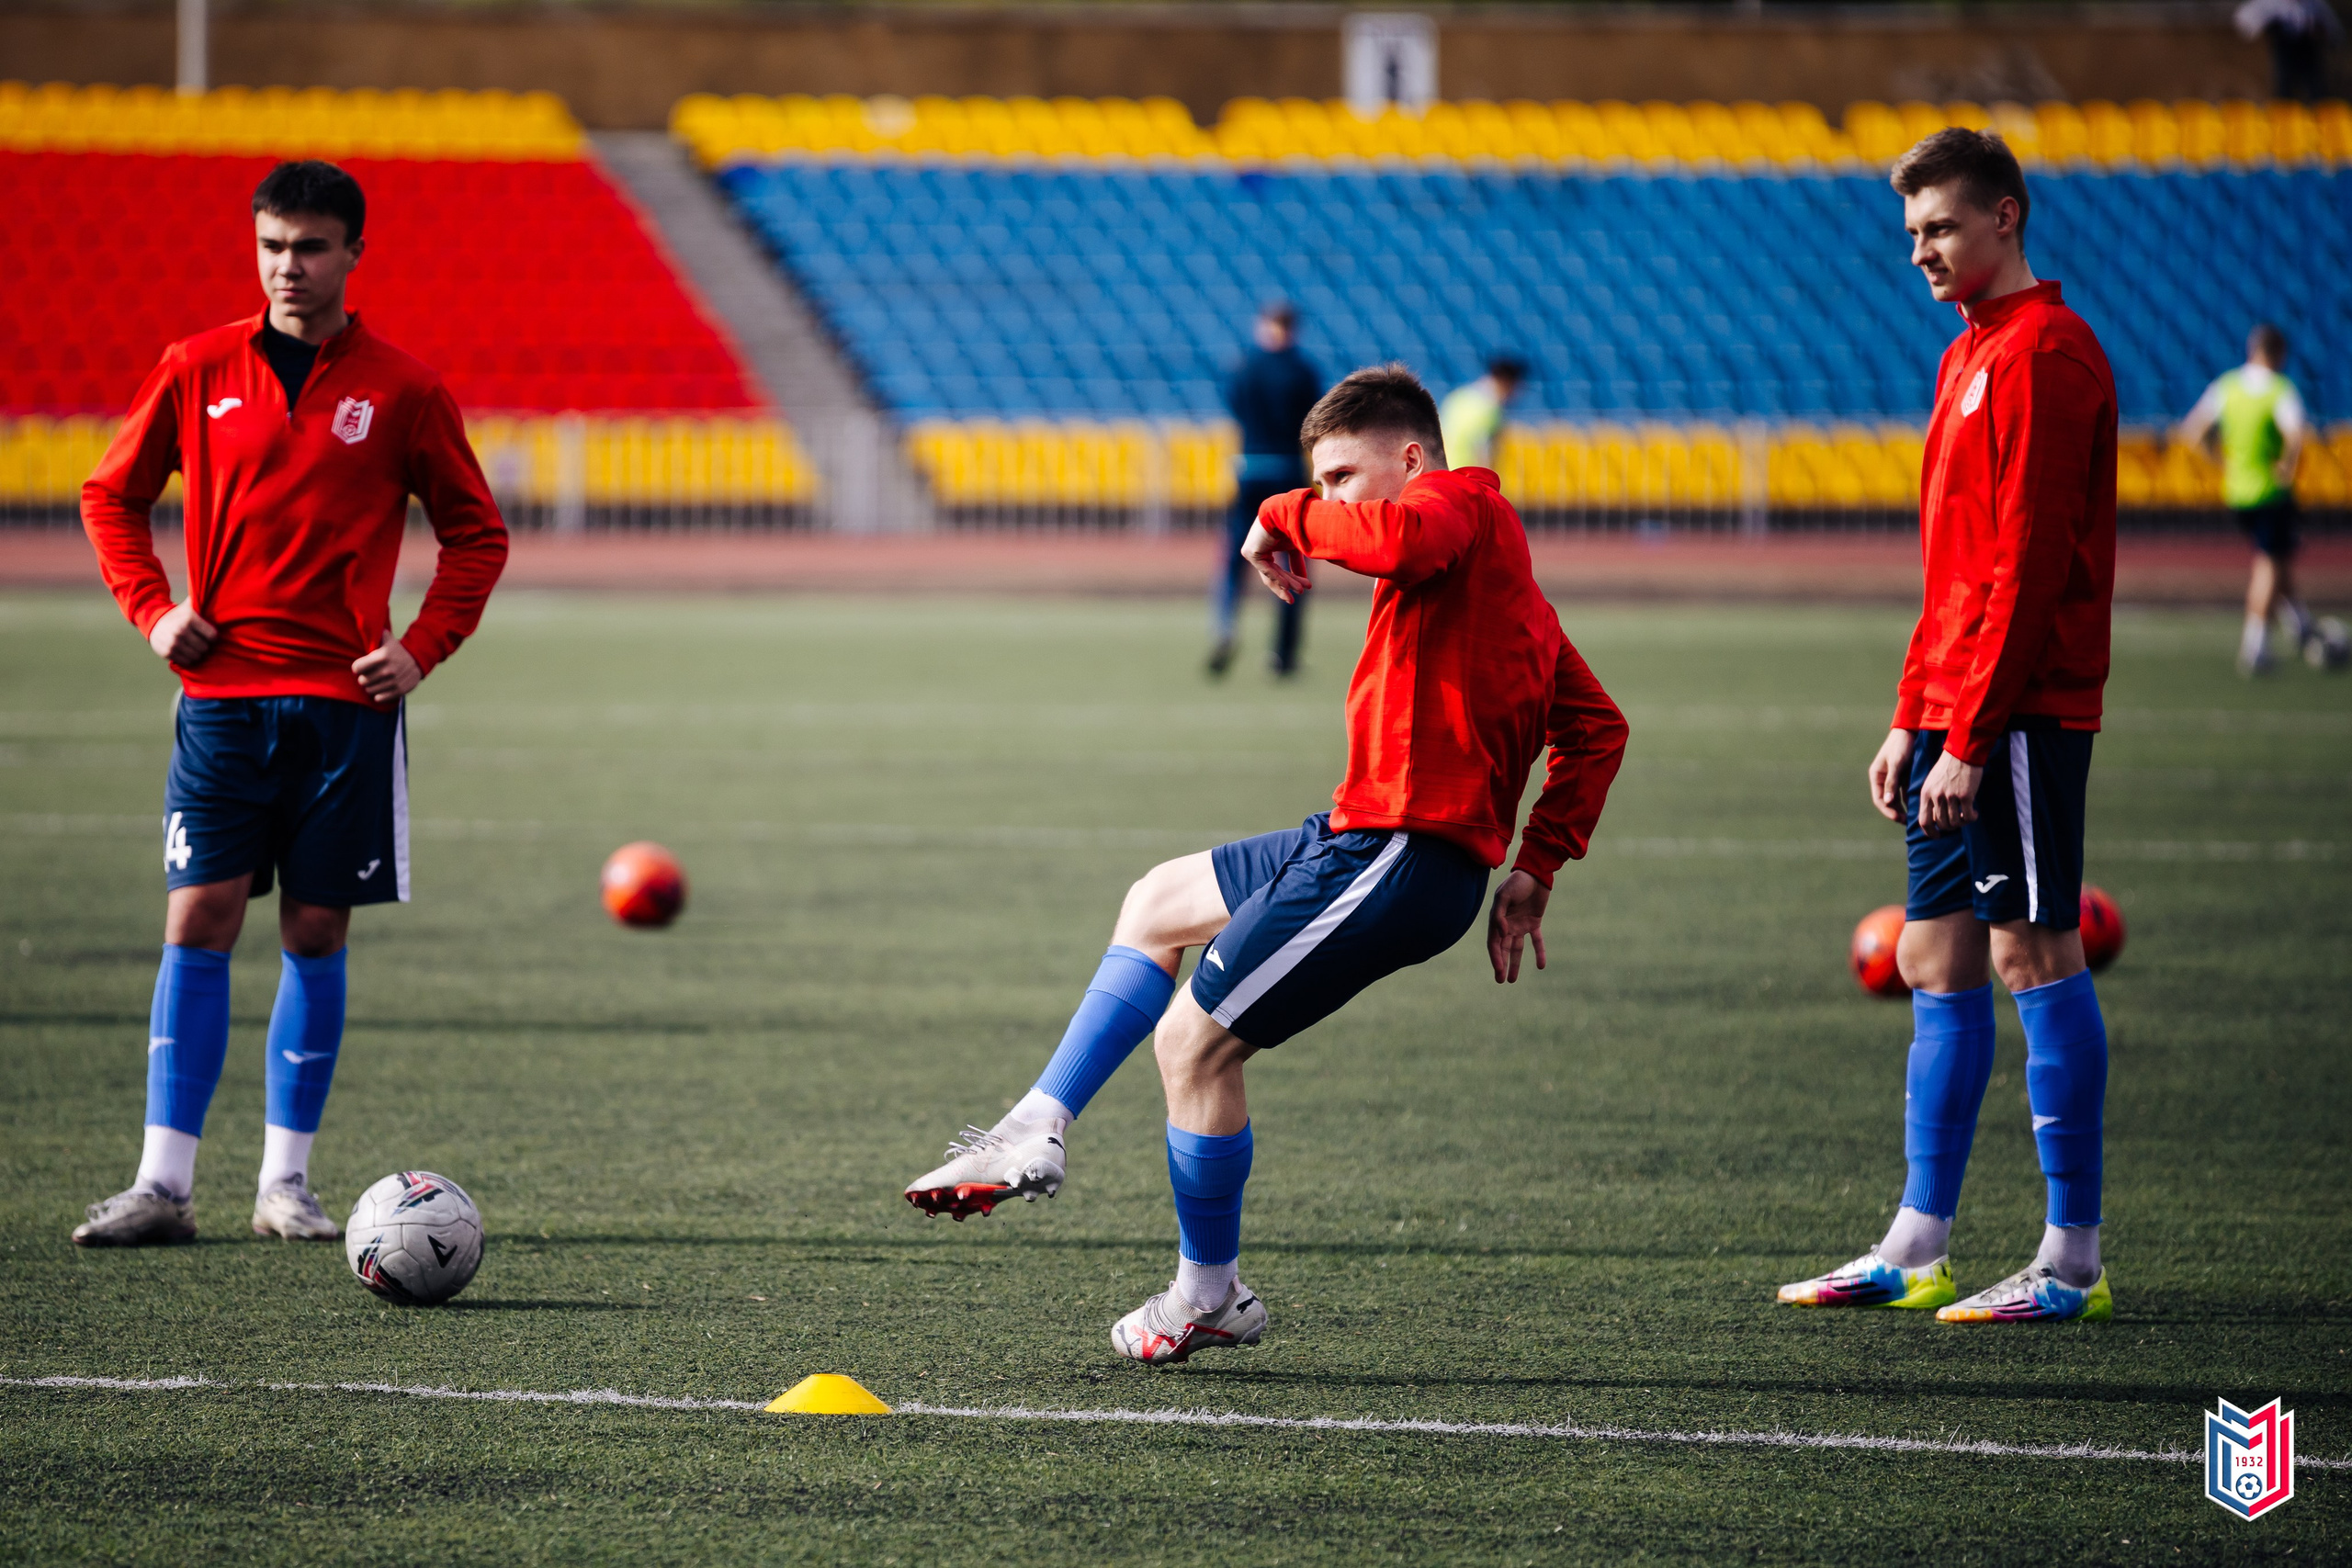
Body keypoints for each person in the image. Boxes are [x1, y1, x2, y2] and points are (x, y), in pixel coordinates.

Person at [905, 366, 1628, 1363]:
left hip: (1403, 854)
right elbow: (1597, 729)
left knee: (1192, 1046)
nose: (1329, 500)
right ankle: (1034, 1123)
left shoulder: (1458, 502)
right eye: (1318, 483)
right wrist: (1534, 868)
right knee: (1156, 900)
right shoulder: (1508, 593)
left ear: (1410, 459)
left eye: (1339, 476)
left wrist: (1277, 511)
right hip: (1360, 833)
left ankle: (1207, 1294)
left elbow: (1400, 535)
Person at [74, 160, 508, 1247]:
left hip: (344, 710)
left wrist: (419, 649)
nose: (288, 268)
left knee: (315, 930)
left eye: (310, 247)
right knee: (198, 920)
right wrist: (154, 610)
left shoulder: (403, 389)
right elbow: (110, 495)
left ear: (354, 254)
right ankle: (163, 1187)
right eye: (271, 246)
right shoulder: (197, 366)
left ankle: (285, 1188)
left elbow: (476, 534)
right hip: (220, 698)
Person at [1780, 129, 2120, 1325]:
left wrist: (1971, 733)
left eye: (1940, 228)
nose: (1919, 251)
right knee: (1934, 956)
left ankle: (2071, 1259)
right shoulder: (1966, 355)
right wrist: (1911, 717)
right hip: (1954, 706)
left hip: (2017, 712)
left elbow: (2028, 567)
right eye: (1913, 232)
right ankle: (1916, 1240)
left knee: (2036, 952)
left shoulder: (2047, 354)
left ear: (2007, 218)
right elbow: (1955, 569)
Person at [2177, 323, 2349, 673]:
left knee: (2279, 559)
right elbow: (2296, 434)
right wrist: (2286, 468)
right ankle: (2254, 645)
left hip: (2237, 491)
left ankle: (2300, 626)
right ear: (2279, 353)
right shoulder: (2279, 390)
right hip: (2270, 491)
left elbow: (2191, 432)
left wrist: (2222, 461)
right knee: (2269, 565)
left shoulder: (2227, 386)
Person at [1209, 302, 1324, 677]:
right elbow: (1315, 420)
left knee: (1234, 555)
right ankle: (1282, 654)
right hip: (1287, 471)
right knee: (1291, 560)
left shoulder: (1243, 367)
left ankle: (1225, 625)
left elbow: (1235, 409)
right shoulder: (1304, 370)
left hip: (1249, 466)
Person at [1438, 355, 1527, 473]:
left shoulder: (1457, 398)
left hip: (1443, 472)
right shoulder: (1490, 409)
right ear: (1507, 382)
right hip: (1468, 478)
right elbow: (1484, 453)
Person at [2236, 0, 2341, 100]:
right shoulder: (2270, 3)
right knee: (2284, 91)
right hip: (2281, 52)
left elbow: (2334, 31)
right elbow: (2243, 22)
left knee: (2317, 92)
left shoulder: (2315, 4)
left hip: (2309, 54)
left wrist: (2322, 33)